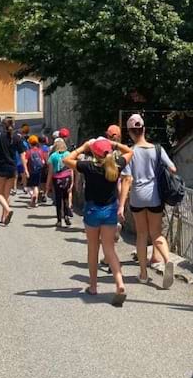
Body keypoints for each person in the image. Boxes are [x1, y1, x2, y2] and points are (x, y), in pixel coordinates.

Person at [64, 138, 133, 306]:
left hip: (92, 211)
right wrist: (114, 144)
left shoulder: (89, 167)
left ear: (94, 153)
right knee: (109, 249)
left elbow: (67, 160)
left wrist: (83, 147)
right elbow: (130, 152)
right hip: (110, 211)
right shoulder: (116, 164)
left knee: (93, 249)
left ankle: (93, 286)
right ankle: (120, 283)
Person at [119, 114, 176, 289]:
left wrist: (121, 205)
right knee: (157, 234)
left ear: (130, 132)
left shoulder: (129, 152)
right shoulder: (157, 149)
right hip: (155, 197)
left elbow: (127, 179)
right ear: (144, 129)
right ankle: (167, 260)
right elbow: (173, 169)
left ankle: (143, 274)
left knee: (142, 235)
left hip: (137, 197)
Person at [0, 118, 27, 225]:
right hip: (12, 168)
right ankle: (4, 217)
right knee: (6, 195)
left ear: (2, 125)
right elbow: (22, 154)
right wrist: (25, 169)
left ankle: (8, 209)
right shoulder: (17, 137)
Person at [46, 138, 73, 228]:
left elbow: (50, 172)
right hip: (67, 178)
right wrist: (72, 182)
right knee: (65, 198)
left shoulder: (53, 156)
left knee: (58, 199)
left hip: (57, 179)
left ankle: (59, 220)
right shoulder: (68, 154)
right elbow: (71, 169)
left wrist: (48, 184)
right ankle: (66, 215)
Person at [24, 135, 47, 208]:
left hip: (31, 171)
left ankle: (32, 196)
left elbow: (25, 161)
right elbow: (43, 162)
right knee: (36, 186)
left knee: (29, 187)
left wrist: (26, 170)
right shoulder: (40, 151)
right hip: (39, 171)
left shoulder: (28, 152)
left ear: (30, 143)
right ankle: (35, 202)